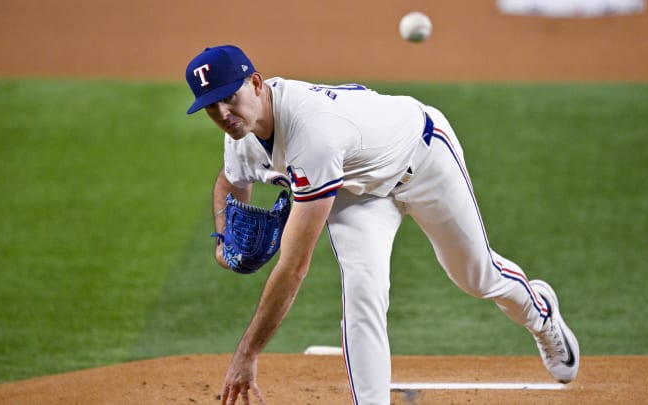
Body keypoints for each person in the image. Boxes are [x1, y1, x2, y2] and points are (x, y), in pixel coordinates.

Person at [185, 45, 580, 405]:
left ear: (255, 84)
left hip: (424, 160)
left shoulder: (312, 134)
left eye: (229, 98)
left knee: (477, 277)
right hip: (358, 192)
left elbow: (294, 267)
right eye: (211, 107)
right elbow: (231, 180)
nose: (223, 115)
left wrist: (247, 353)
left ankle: (539, 312)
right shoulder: (239, 132)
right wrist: (223, 237)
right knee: (362, 294)